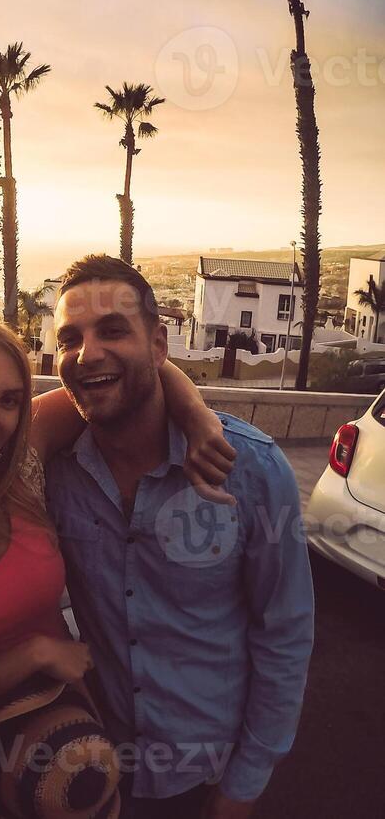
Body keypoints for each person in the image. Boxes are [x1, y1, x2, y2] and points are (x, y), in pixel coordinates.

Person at [0, 318, 233, 818]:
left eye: (9, 401)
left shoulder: (18, 470)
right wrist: (34, 655)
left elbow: (130, 378)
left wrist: (198, 418)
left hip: (62, 762)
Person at [45, 255, 314, 819]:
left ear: (160, 345)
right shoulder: (55, 472)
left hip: (211, 776)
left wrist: (245, 784)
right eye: (70, 338)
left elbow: (283, 634)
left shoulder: (252, 470)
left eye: (113, 330)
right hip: (98, 769)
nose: (88, 352)